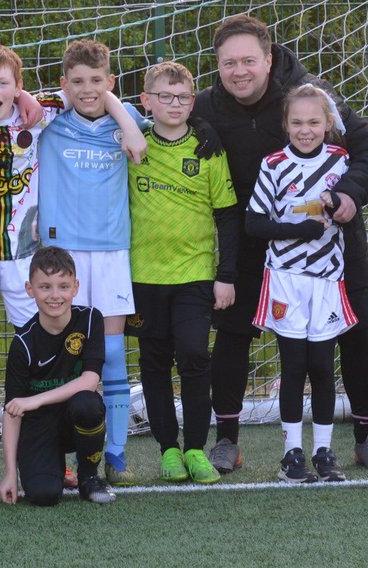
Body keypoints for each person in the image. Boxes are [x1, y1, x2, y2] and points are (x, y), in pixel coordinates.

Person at [0, 43, 141, 494]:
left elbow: (94, 93)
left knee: (48, 355)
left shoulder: (42, 115)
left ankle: (53, 455)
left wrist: (127, 126)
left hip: (27, 262)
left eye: (5, 83)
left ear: (20, 87)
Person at [190, 14, 368, 473]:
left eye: (248, 60)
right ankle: (227, 440)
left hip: (330, 243)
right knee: (232, 333)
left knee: (354, 330)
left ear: (268, 59)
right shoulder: (203, 107)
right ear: (217, 65)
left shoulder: (310, 99)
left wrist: (348, 196)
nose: (239, 71)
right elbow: (154, 122)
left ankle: (366, 435)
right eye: (228, 63)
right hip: (247, 240)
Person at [33, 39, 150, 485]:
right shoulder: (50, 123)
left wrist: (116, 107)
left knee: (115, 356)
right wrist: (70, 96)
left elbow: (138, 139)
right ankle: (59, 453)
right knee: (60, 360)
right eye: (77, 82)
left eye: (97, 81)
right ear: (63, 85)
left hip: (111, 253)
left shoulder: (125, 125)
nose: (87, 89)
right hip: (62, 256)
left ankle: (116, 455)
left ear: (111, 83)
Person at [127, 61, 237, 484]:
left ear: (193, 102)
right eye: (164, 97)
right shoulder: (131, 145)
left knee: (193, 355)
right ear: (145, 102)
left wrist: (225, 275)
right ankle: (168, 450)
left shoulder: (208, 149)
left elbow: (227, 217)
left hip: (193, 274)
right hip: (143, 275)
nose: (174, 104)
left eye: (183, 97)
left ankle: (195, 448)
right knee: (154, 364)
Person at [246, 84, 358, 483]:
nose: (305, 130)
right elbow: (254, 223)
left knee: (323, 367)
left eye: (314, 122)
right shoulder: (273, 164)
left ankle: (324, 452)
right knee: (293, 367)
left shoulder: (342, 161)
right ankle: (291, 455)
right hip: (286, 281)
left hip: (327, 279)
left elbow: (350, 205)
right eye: (297, 122)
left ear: (328, 123)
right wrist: (299, 230)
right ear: (286, 124)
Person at [0, 246, 114, 506]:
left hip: (73, 415)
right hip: (39, 425)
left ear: (75, 287)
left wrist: (36, 399)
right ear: (30, 290)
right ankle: (52, 467)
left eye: (63, 286)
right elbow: (13, 411)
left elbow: (90, 381)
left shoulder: (91, 320)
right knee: (43, 494)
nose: (54, 295)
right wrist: (9, 474)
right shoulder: (23, 344)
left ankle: (88, 476)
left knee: (88, 403)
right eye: (45, 287)